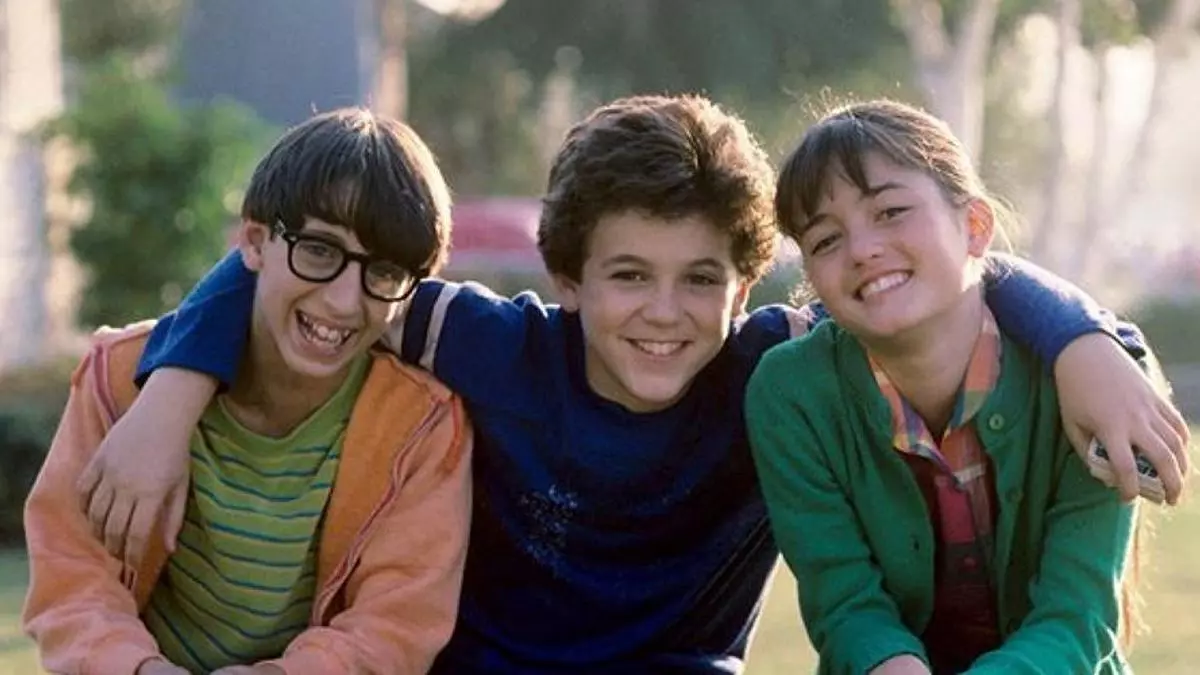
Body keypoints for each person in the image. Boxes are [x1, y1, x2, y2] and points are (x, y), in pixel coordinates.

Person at [76, 95, 1188, 674]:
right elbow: (302, 269)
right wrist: (172, 390)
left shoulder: (774, 372)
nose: (664, 312)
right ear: (565, 279)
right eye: (626, 276)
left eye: (701, 279)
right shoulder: (486, 344)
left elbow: (933, 288)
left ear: (748, 286)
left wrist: (1082, 338)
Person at [22, 108, 473, 675]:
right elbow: (72, 582)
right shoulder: (119, 380)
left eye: (382, 272)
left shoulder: (423, 427)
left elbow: (394, 625)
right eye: (318, 249)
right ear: (255, 241)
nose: (343, 301)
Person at [746, 99, 1160, 674]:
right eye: (825, 241)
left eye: (890, 211)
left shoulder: (1095, 383)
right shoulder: (791, 394)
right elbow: (846, 608)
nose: (861, 250)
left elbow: (1077, 620)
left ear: (975, 226)